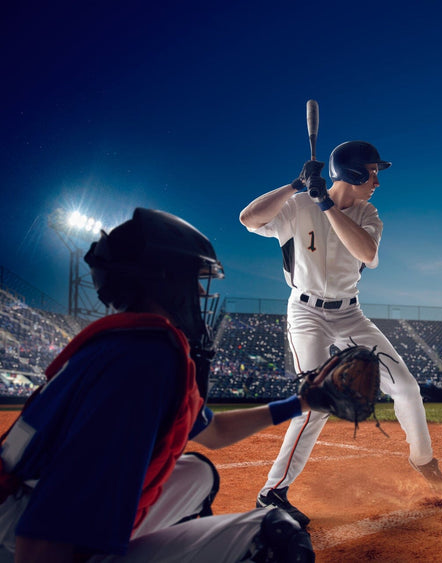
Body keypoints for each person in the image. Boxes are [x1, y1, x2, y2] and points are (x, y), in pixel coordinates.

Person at [0, 208, 314, 563]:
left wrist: (302, 402)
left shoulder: (129, 343)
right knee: (278, 538)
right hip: (22, 542)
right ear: (165, 281)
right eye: (193, 277)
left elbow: (215, 432)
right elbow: (42, 532)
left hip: (16, 509)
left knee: (198, 474)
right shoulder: (144, 359)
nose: (200, 289)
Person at [239, 140, 442, 528]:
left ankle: (423, 460)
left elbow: (366, 253)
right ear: (352, 173)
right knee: (317, 400)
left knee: (406, 387)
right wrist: (295, 185)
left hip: (350, 314)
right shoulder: (297, 207)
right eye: (372, 172)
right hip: (306, 313)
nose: (377, 182)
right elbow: (248, 219)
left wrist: (326, 204)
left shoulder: (368, 214)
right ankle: (272, 492)